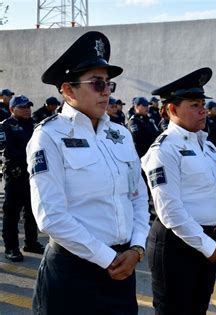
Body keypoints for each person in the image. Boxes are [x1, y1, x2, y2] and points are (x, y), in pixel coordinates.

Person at [26, 31, 150, 314]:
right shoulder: (49, 136)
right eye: (96, 83)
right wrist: (107, 258)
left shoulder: (119, 133)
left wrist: (137, 249)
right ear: (68, 90)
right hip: (73, 272)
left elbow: (138, 196)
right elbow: (51, 216)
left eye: (108, 84)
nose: (106, 91)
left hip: (122, 266)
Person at [142, 67, 216, 315]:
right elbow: (170, 211)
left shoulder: (209, 147)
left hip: (209, 242)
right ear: (172, 109)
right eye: (194, 104)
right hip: (176, 246)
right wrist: (208, 246)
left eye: (203, 103)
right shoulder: (164, 150)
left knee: (198, 308)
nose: (203, 109)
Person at [0, 95, 44, 262]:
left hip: (33, 177)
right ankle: (11, 248)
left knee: (32, 212)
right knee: (12, 214)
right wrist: (31, 159)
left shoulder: (34, 125)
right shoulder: (6, 126)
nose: (27, 109)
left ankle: (31, 243)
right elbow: (7, 152)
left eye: (28, 106)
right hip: (16, 176)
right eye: (22, 107)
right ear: (12, 109)